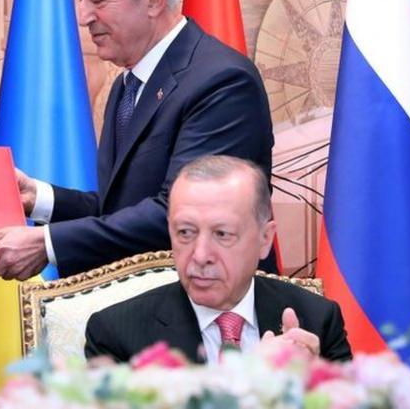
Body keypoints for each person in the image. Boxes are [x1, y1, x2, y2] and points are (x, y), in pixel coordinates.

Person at [0, 0, 276, 280]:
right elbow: (118, 208)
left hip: (209, 318)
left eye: (97, 0)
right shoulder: (127, 85)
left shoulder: (222, 82)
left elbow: (183, 215)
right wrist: (38, 198)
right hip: (142, 314)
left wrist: (48, 243)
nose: (83, 16)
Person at [84, 155, 351, 363]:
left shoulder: (317, 320)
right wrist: (250, 384)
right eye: (185, 233)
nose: (200, 256)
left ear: (265, 239)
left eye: (222, 234)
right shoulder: (117, 334)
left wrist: (314, 391)